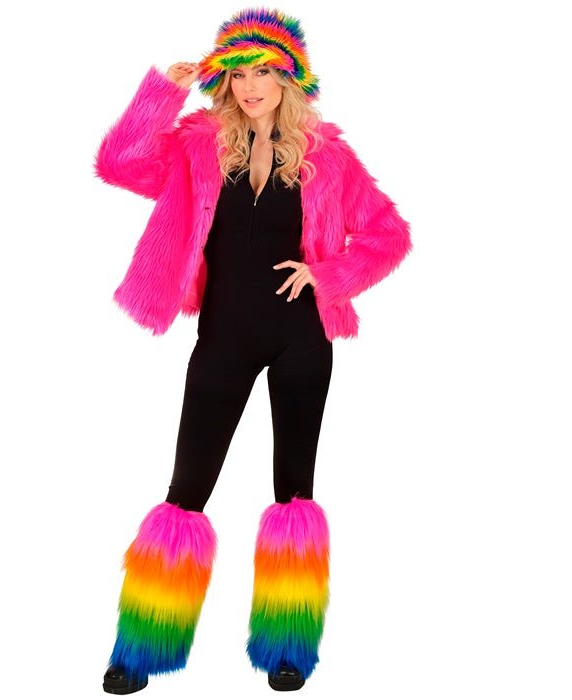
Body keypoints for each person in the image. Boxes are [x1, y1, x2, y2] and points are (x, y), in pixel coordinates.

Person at [94, 7, 412, 695]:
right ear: (225, 81)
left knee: (294, 490)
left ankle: (287, 647)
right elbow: (118, 165)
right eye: (239, 74)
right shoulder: (196, 146)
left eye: (264, 71)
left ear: (290, 78)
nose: (251, 86)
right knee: (187, 488)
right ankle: (141, 648)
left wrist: (328, 276)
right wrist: (162, 93)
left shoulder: (329, 158)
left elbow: (389, 235)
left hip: (302, 339)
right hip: (224, 338)